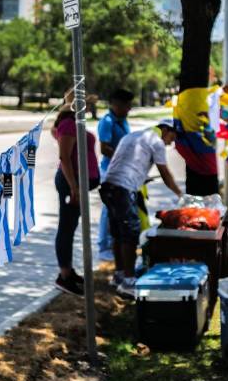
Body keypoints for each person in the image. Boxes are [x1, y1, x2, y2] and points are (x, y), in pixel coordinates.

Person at [100, 118, 183, 297]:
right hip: (123, 189)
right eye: (172, 139)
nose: (170, 144)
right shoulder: (157, 141)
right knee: (130, 235)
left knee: (118, 234)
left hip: (108, 186)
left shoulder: (133, 136)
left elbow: (126, 162)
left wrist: (141, 178)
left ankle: (119, 275)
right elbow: (165, 173)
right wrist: (180, 195)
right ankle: (129, 282)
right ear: (166, 130)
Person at [52, 109, 100, 296]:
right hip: (71, 183)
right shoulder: (68, 124)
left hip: (79, 183)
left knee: (70, 226)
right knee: (66, 227)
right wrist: (74, 187)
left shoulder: (73, 122)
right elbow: (64, 156)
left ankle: (68, 271)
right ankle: (64, 277)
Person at [96, 89, 134, 262]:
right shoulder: (108, 122)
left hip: (122, 170)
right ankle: (103, 246)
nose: (129, 109)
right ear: (116, 105)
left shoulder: (122, 120)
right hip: (110, 170)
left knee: (118, 209)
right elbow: (104, 148)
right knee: (108, 209)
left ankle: (113, 242)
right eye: (127, 106)